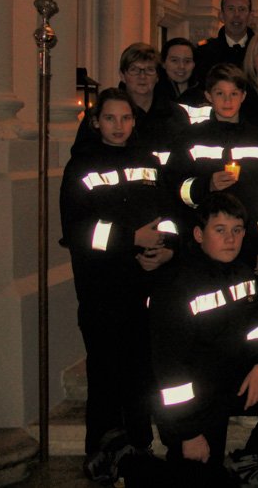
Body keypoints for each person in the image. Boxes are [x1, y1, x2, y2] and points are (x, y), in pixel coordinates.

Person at [149, 192, 258, 487]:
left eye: (237, 230)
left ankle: (254, 461)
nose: (230, 239)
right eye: (220, 230)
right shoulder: (176, 285)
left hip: (234, 378)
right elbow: (170, 371)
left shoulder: (243, 273)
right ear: (199, 234)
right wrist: (188, 433)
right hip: (196, 399)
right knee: (201, 477)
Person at [60, 88, 178, 483]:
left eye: (125, 118)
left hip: (145, 283)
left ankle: (139, 447)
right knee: (105, 372)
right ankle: (100, 450)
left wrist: (165, 248)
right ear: (96, 122)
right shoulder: (81, 167)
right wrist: (131, 238)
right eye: (110, 118)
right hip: (102, 288)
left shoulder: (149, 162)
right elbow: (79, 232)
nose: (119, 125)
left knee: (141, 371)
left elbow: (168, 215)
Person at [166, 63, 258, 272]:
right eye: (220, 93)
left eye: (234, 94)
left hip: (246, 241)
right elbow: (173, 186)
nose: (227, 101)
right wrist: (207, 186)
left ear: (243, 96)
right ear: (208, 96)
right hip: (203, 244)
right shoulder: (191, 138)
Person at [72, 43, 188, 160]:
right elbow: (82, 157)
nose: (142, 76)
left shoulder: (175, 115)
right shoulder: (101, 113)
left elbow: (184, 159)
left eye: (149, 70)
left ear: (157, 76)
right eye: (134, 70)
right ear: (122, 75)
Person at [193, 0, 256, 86]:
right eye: (231, 9)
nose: (236, 15)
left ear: (251, 17)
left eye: (242, 9)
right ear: (221, 16)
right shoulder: (204, 52)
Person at [156, 37, 205, 110]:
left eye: (187, 61)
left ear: (194, 64)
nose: (181, 66)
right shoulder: (152, 95)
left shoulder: (206, 95)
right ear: (163, 63)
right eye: (174, 60)